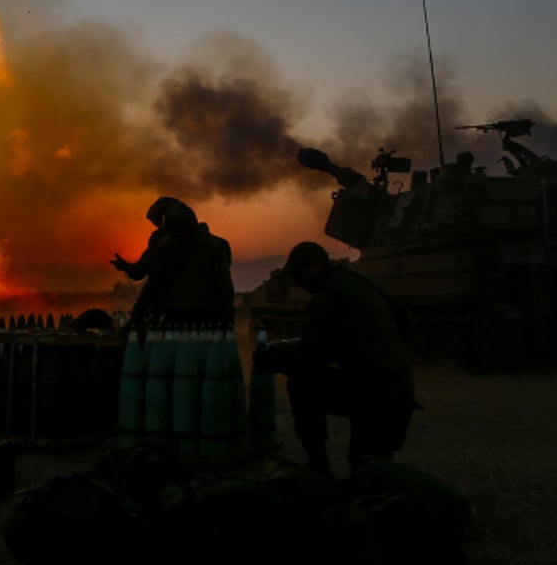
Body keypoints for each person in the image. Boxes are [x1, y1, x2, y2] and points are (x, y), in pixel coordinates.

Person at [254, 241, 417, 476]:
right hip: (396, 389)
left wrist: (273, 355)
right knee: (371, 469)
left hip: (376, 393)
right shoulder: (360, 283)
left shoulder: (329, 296)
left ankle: (318, 467)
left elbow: (311, 354)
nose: (298, 283)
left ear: (316, 267)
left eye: (299, 274)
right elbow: (407, 324)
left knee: (302, 384)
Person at [128, 199, 234, 329]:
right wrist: (136, 316)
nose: (173, 238)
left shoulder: (215, 247)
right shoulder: (166, 246)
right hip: (174, 317)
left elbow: (224, 286)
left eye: (176, 233)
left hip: (206, 319)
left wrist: (226, 319)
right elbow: (152, 284)